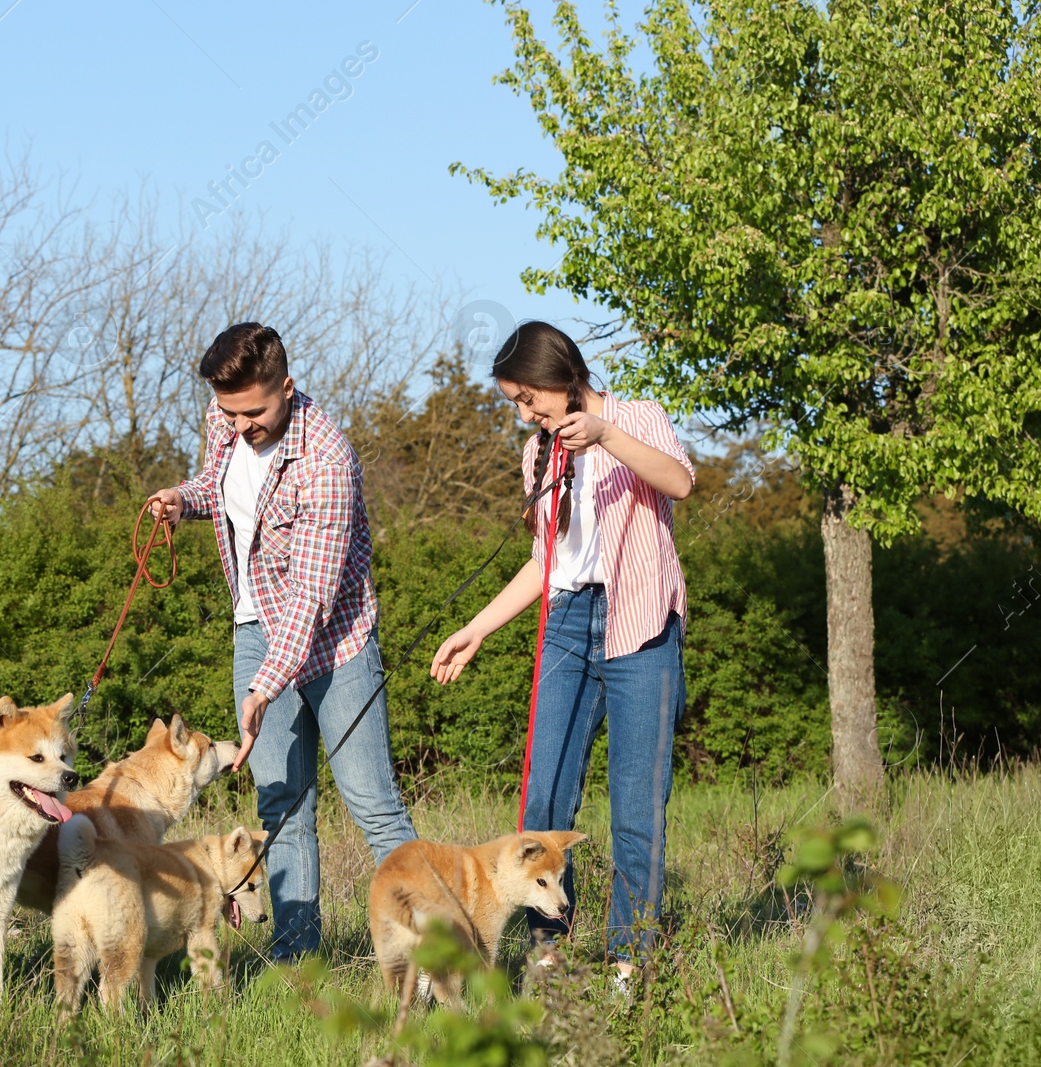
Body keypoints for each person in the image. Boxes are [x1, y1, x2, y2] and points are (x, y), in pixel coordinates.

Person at [429, 321, 693, 981]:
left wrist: (606, 436)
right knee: (542, 799)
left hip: (641, 623)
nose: (526, 413)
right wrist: (478, 627)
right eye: (517, 403)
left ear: (561, 375)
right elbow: (544, 563)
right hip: (567, 621)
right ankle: (549, 947)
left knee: (637, 800)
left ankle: (631, 956)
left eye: (528, 398)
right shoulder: (538, 452)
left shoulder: (637, 418)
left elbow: (680, 482)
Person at [147, 322, 416, 960]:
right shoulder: (226, 421)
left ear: (287, 388)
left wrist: (264, 685)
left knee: (372, 804)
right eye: (228, 412)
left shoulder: (327, 458)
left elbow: (312, 597)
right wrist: (182, 503)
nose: (240, 425)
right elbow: (222, 488)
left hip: (335, 643)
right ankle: (298, 961)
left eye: (255, 411)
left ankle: (434, 949)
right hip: (254, 628)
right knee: (280, 806)